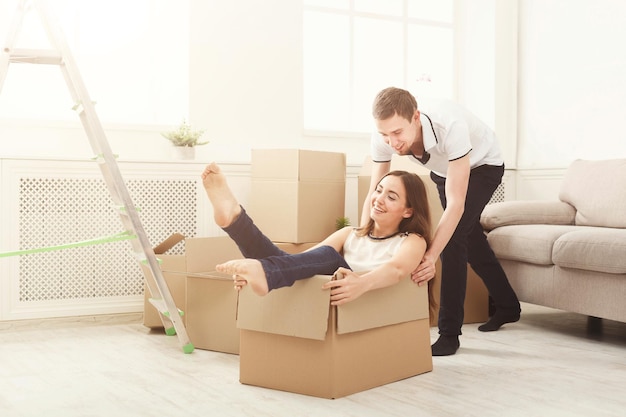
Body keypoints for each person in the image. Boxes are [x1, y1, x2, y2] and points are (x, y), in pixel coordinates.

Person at [363, 87, 521, 356]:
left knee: (453, 239)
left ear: (415, 117)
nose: (392, 142)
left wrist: (430, 256)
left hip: (483, 165)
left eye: (397, 133)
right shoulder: (385, 136)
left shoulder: (450, 126)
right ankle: (507, 305)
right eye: (384, 135)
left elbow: (456, 204)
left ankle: (449, 334)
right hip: (444, 169)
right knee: (469, 237)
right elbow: (373, 192)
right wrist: (363, 235)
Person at [201, 162, 432, 306]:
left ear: (408, 210)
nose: (379, 199)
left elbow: (397, 269)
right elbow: (299, 261)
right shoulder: (351, 233)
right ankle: (234, 219)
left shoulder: (412, 240)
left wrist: (362, 283)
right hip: (331, 288)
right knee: (303, 258)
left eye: (391, 197)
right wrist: (260, 269)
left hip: (362, 293)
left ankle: (265, 269)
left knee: (330, 257)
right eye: (379, 191)